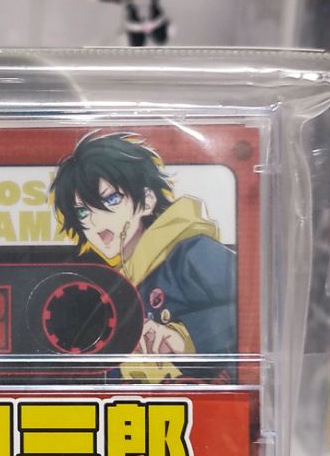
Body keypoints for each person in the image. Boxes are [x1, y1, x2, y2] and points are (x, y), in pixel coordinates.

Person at [51, 132, 236, 377]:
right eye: (83, 212)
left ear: (147, 201)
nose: (95, 221)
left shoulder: (192, 254)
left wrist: (184, 337)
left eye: (111, 199)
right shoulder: (113, 291)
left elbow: (253, 310)